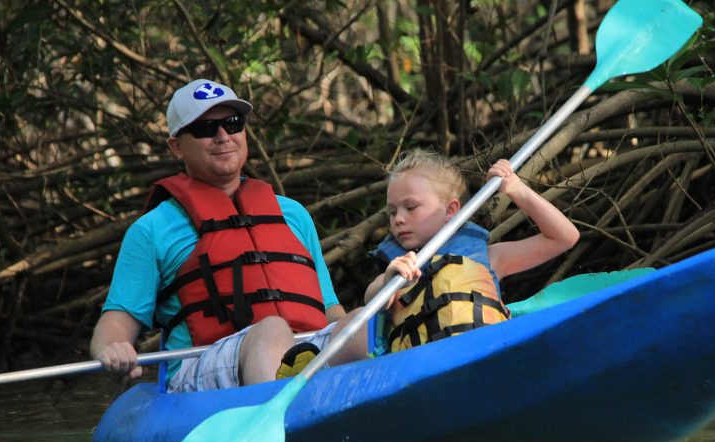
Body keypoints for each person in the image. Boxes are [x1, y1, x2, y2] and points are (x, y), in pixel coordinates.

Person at [90, 78, 356, 392]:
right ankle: (281, 416)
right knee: (271, 330)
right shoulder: (151, 230)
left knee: (361, 322)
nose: (223, 136)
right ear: (177, 146)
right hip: (204, 363)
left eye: (233, 124)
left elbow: (329, 309)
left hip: (306, 347)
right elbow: (115, 325)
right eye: (205, 128)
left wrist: (348, 331)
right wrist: (114, 348)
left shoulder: (293, 214)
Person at [363, 149, 580, 353]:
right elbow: (371, 300)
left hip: (487, 353)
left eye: (410, 208)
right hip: (423, 366)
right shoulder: (398, 270)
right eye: (392, 212)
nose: (398, 219)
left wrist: (517, 189)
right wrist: (389, 283)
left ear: (450, 210)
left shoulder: (489, 258)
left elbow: (564, 237)